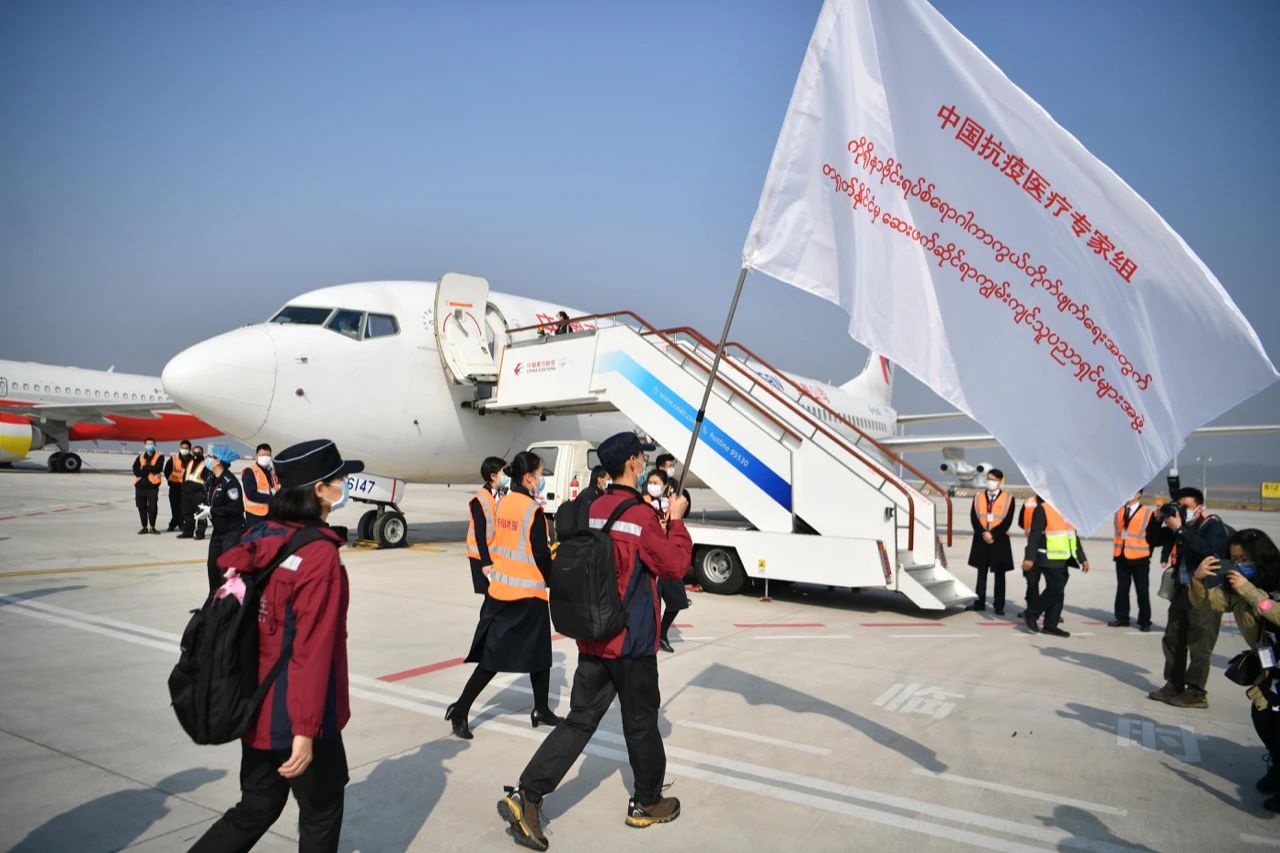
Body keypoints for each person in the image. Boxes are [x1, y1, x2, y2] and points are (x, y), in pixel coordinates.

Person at [498, 432, 692, 849]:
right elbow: (675, 565)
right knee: (641, 723)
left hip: (592, 636)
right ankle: (647, 802)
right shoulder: (641, 516)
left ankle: (528, 794)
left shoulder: (592, 508)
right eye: (641, 459)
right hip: (631, 642)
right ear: (635, 462)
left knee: (580, 720)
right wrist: (675, 521)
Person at [189, 438, 360, 853]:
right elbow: (312, 651)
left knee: (257, 805)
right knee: (321, 811)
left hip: (255, 702)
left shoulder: (263, 535)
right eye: (339, 479)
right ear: (319, 489)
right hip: (301, 712)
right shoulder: (318, 554)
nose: (343, 486)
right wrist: (305, 731)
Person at [447, 451, 561, 739]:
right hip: (527, 591)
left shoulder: (504, 502)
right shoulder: (532, 511)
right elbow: (540, 554)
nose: (541, 479)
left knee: (521, 655)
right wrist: (553, 580)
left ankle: (540, 709)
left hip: (500, 589)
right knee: (529, 654)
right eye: (540, 474)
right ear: (529, 478)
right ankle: (461, 708)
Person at [1187, 529, 1280, 812]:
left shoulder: (1265, 582)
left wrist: (1249, 591)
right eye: (1235, 559)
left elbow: (1274, 611)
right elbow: (1208, 603)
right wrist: (1198, 579)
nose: (1240, 565)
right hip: (1270, 662)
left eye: (1245, 559)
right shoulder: (1236, 583)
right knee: (1264, 715)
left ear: (1261, 557)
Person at [1148, 487, 1229, 709]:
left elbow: (1209, 551)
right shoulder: (1181, 526)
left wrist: (1180, 529)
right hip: (1182, 591)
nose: (1183, 511)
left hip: (1206, 593)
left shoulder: (1212, 526)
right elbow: (1153, 540)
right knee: (1173, 638)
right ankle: (1173, 684)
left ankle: (1196, 692)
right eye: (1179, 507)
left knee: (1200, 644)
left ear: (1199, 507)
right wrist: (1157, 520)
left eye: (1187, 507)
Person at [1021, 498, 1090, 637]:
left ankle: (1050, 625)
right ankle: (1032, 612)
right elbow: (1035, 534)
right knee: (1056, 589)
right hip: (1048, 557)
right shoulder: (1043, 509)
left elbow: (1073, 536)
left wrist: (1082, 558)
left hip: (1064, 558)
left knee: (1059, 592)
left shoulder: (1069, 511)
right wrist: (1029, 558)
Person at [645, 469, 690, 652]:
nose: (652, 486)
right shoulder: (643, 505)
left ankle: (662, 633)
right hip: (653, 560)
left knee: (677, 601)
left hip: (668, 558)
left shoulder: (671, 506)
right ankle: (652, 637)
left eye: (656, 483)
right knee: (651, 603)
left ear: (665, 486)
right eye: (650, 482)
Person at [1109, 489, 1162, 631]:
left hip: (1140, 557)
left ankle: (1145, 621)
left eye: (1132, 491)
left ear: (1138, 494)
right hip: (1121, 555)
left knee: (1142, 591)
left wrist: (1158, 521)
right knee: (1122, 589)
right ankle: (1122, 618)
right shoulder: (1119, 511)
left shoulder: (1147, 513)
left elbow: (1153, 536)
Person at [966, 469, 1015, 614]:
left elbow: (1007, 521)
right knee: (981, 573)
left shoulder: (1008, 498)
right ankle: (979, 602)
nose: (990, 482)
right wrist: (983, 533)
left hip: (999, 540)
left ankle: (999, 605)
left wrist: (992, 534)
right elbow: (974, 518)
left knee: (1000, 574)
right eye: (988, 479)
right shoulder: (978, 497)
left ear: (999, 481)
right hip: (981, 539)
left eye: (993, 479)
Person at [202, 444, 247, 594]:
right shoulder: (211, 478)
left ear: (219, 461)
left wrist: (213, 511)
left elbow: (237, 508)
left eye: (211, 457)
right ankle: (214, 599)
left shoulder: (230, 482)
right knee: (212, 566)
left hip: (232, 531)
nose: (208, 459)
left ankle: (228, 600)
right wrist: (205, 509)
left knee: (226, 570)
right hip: (218, 530)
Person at [466, 456, 507, 595]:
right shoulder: (480, 500)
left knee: (496, 598)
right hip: (481, 557)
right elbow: (480, 534)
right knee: (491, 597)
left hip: (496, 556)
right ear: (493, 476)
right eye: (504, 472)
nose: (507, 476)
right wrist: (486, 562)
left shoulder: (503, 494)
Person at [242, 443, 281, 525]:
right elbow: (250, 494)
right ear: (257, 456)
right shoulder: (250, 471)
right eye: (263, 455)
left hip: (270, 512)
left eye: (268, 455)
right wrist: (272, 499)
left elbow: (277, 487)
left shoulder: (272, 471)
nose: (265, 458)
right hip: (255, 515)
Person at [131, 438, 164, 534]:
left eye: (152, 444)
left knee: (152, 508)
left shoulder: (160, 456)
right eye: (148, 444)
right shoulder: (140, 457)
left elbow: (157, 468)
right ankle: (144, 527)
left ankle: (152, 527)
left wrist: (145, 468)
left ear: (155, 445)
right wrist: (149, 469)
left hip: (152, 487)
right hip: (140, 487)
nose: (150, 446)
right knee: (141, 507)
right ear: (144, 445)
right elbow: (135, 470)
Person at [1016, 494, 1040, 619]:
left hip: (1054, 548)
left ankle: (1053, 612)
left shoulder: (1057, 502)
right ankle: (1032, 609)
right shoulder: (1028, 502)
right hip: (1032, 546)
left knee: (1054, 584)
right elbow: (1021, 522)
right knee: (1031, 581)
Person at [179, 446, 209, 540]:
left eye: (198, 452)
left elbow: (208, 479)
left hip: (198, 493)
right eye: (194, 452)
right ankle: (188, 532)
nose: (196, 454)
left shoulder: (206, 464)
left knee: (201, 513)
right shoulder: (189, 462)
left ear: (202, 453)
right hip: (186, 492)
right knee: (187, 513)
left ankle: (200, 533)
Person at [162, 440, 192, 531]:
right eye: (183, 448)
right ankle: (178, 523)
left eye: (186, 448)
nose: (184, 449)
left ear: (190, 449)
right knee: (174, 507)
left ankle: (174, 524)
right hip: (175, 487)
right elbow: (167, 471)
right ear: (180, 448)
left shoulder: (193, 460)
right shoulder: (174, 458)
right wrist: (170, 480)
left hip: (187, 487)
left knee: (184, 507)